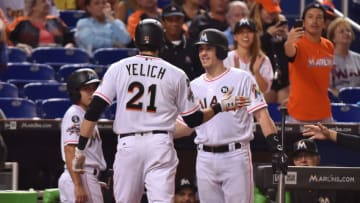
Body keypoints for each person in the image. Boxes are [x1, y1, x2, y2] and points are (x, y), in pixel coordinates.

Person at [71, 19, 248, 203]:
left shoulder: (118, 68)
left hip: (128, 143)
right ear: (161, 41)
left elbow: (94, 110)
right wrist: (220, 106)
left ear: (135, 39)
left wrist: (81, 149)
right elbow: (193, 120)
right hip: (160, 144)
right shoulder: (176, 73)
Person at [175, 28, 287, 203]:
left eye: (208, 48)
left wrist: (276, 146)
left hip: (235, 156)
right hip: (204, 157)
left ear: (220, 50)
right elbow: (186, 126)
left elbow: (262, 115)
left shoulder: (242, 78)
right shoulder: (194, 85)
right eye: (200, 49)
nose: (203, 53)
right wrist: (159, 131)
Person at [58, 68, 107, 203]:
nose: (92, 93)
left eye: (94, 88)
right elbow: (70, 150)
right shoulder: (75, 113)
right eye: (87, 89)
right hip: (82, 175)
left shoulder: (86, 114)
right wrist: (79, 185)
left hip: (85, 176)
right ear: (76, 92)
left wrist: (94, 181)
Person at [284, 2, 334, 123]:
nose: (314, 21)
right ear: (304, 22)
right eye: (310, 17)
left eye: (319, 17)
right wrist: (288, 42)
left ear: (324, 23)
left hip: (324, 113)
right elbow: (290, 53)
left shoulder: (329, 45)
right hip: (299, 115)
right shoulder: (297, 43)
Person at [223, 18, 274, 94]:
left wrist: (256, 72)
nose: (245, 35)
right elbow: (224, 89)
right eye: (241, 32)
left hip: (256, 104)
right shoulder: (227, 58)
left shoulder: (263, 59)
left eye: (249, 32)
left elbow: (264, 90)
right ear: (235, 37)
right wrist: (236, 73)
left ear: (254, 35)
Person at [8, 0, 74, 55]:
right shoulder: (20, 22)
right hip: (31, 58)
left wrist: (69, 45)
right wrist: (19, 45)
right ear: (33, 6)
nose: (47, 4)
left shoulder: (56, 20)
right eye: (43, 2)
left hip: (58, 56)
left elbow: (70, 39)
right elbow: (9, 40)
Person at [159, 4, 201, 80]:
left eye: (178, 19)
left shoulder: (193, 46)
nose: (174, 23)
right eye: (170, 20)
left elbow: (200, 74)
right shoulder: (157, 47)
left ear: (183, 21)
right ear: (163, 22)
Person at [326, 18, 360, 96]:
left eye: (348, 31)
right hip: (335, 102)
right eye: (341, 31)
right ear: (333, 38)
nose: (346, 33)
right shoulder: (326, 60)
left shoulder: (358, 58)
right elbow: (325, 86)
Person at [262, 14, 289, 104]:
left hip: (285, 83)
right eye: (277, 25)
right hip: (268, 83)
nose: (279, 29)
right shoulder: (265, 42)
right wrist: (268, 35)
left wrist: (287, 39)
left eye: (283, 25)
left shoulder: (289, 43)